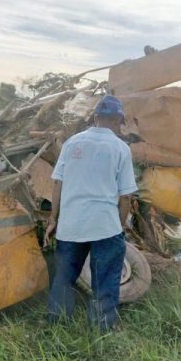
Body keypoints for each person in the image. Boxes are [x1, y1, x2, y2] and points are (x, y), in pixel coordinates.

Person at [43, 94, 137, 332]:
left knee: (64, 276)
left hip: (71, 225)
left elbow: (57, 184)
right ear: (118, 120)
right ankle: (102, 327)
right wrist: (121, 224)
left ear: (95, 117)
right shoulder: (120, 148)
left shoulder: (72, 143)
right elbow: (125, 196)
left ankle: (57, 321)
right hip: (105, 226)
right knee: (105, 278)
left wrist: (54, 219)